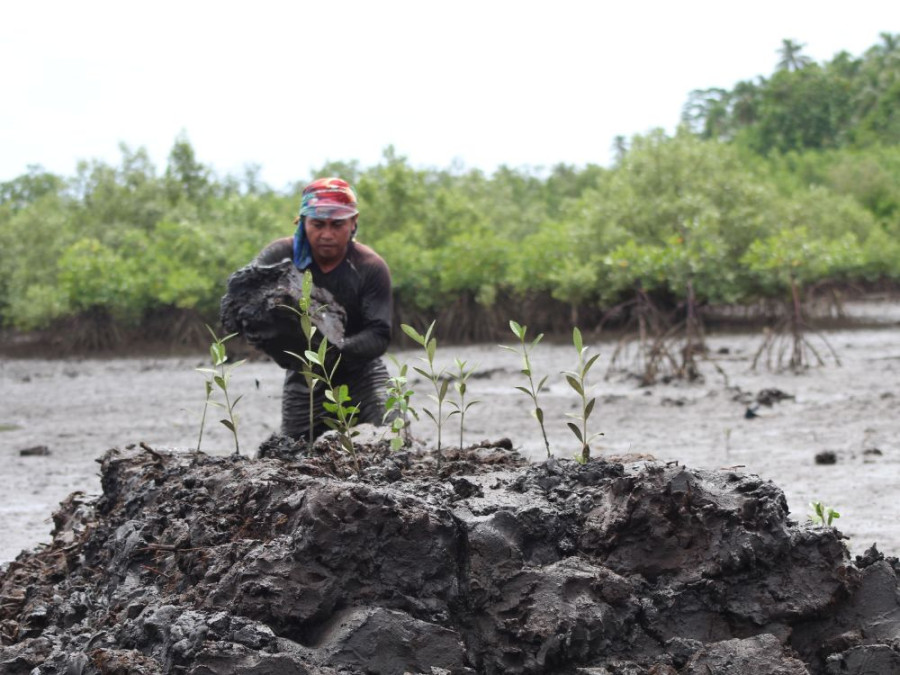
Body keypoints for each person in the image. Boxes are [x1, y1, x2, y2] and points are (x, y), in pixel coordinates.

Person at [254, 177, 393, 442]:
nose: (327, 234)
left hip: (362, 372)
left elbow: (379, 334)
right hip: (305, 375)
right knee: (292, 456)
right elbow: (245, 298)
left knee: (390, 442)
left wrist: (333, 348)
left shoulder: (370, 267)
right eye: (317, 224)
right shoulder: (279, 257)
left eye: (337, 224)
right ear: (302, 222)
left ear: (353, 223)